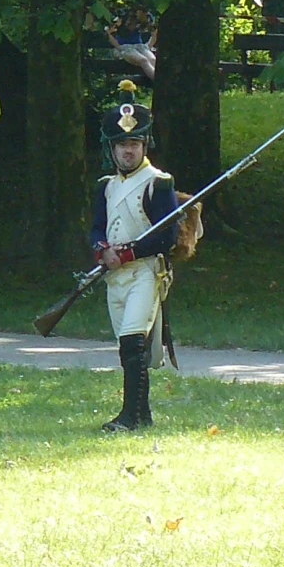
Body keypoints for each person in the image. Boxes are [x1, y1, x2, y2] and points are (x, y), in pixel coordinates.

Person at [90, 80, 179, 432]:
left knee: (133, 342)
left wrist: (125, 254)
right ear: (111, 148)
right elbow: (98, 228)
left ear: (145, 145)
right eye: (122, 145)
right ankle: (141, 415)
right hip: (115, 276)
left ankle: (129, 416)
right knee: (128, 346)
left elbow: (166, 236)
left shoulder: (160, 183)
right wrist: (101, 251)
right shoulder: (105, 186)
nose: (128, 151)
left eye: (134, 143)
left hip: (145, 271)